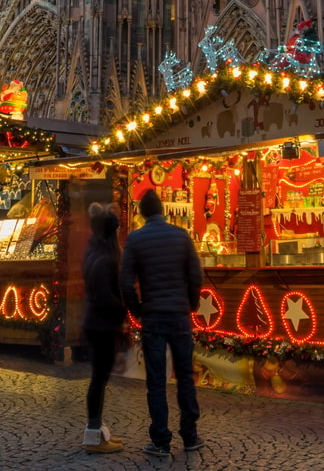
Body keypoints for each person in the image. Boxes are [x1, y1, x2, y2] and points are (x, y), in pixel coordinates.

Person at [119, 188, 205, 457]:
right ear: (164, 211)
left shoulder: (135, 240)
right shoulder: (181, 236)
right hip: (179, 317)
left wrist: (138, 310)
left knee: (156, 381)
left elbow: (125, 282)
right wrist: (190, 303)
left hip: (153, 317)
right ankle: (190, 435)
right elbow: (196, 274)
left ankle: (160, 440)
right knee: (185, 377)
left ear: (143, 213)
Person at [80, 203, 127, 454]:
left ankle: (97, 432)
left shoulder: (94, 251)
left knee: (100, 378)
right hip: (101, 324)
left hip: (96, 322)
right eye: (118, 229)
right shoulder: (104, 259)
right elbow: (105, 296)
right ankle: (93, 436)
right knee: (99, 379)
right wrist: (122, 311)